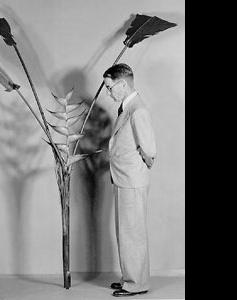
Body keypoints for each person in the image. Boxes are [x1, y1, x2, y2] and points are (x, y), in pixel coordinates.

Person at [103, 63, 156, 297]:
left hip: (131, 180)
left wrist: (137, 168)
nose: (108, 92)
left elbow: (149, 150)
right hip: (124, 178)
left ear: (122, 84)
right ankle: (129, 278)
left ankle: (136, 284)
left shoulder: (138, 110)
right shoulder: (128, 107)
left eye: (109, 87)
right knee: (126, 232)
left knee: (132, 233)